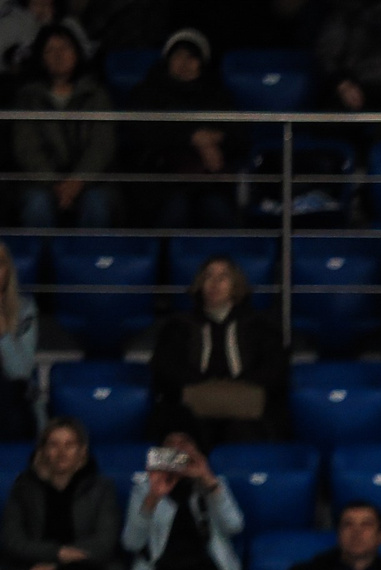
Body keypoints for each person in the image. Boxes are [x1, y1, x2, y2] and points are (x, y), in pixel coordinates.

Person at [149, 256, 290, 447]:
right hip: (192, 408)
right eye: (208, 276)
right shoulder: (178, 326)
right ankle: (175, 477)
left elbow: (275, 367)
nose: (215, 283)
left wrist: (238, 386)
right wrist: (203, 386)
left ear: (236, 285)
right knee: (175, 429)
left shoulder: (259, 326)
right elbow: (165, 367)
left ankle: (242, 476)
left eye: (223, 277)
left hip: (244, 407)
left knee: (249, 430)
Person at [2, 420, 120, 570]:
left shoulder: (101, 488)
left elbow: (104, 543)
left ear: (82, 450)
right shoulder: (24, 488)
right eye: (54, 444)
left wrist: (57, 564)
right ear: (43, 450)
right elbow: (12, 541)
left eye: (69, 444)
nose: (61, 452)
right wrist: (58, 553)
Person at [121, 433, 244, 570]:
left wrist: (208, 480)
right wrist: (153, 498)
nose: (178, 449)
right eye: (171, 445)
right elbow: (131, 543)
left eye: (185, 443)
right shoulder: (145, 489)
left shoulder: (212, 485)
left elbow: (234, 526)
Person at [125, 27, 237, 229]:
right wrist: (193, 137)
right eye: (178, 56)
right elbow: (142, 133)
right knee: (177, 209)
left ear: (202, 62)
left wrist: (217, 139)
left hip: (209, 184)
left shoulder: (218, 95)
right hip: (162, 183)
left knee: (218, 210)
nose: (184, 63)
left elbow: (238, 135)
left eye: (192, 57)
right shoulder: (146, 93)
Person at [12, 21, 115, 229]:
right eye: (51, 50)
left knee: (97, 204)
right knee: (36, 205)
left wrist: (77, 181)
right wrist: (55, 185)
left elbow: (102, 145)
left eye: (65, 47)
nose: (59, 55)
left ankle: (88, 260)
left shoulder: (96, 94)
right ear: (41, 58)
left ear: (77, 52)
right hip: (41, 183)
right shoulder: (28, 98)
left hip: (90, 181)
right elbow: (26, 148)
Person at [0, 242, 37, 441]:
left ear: (7, 271)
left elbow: (21, 371)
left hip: (12, 402)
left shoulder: (25, 310)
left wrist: (3, 331)